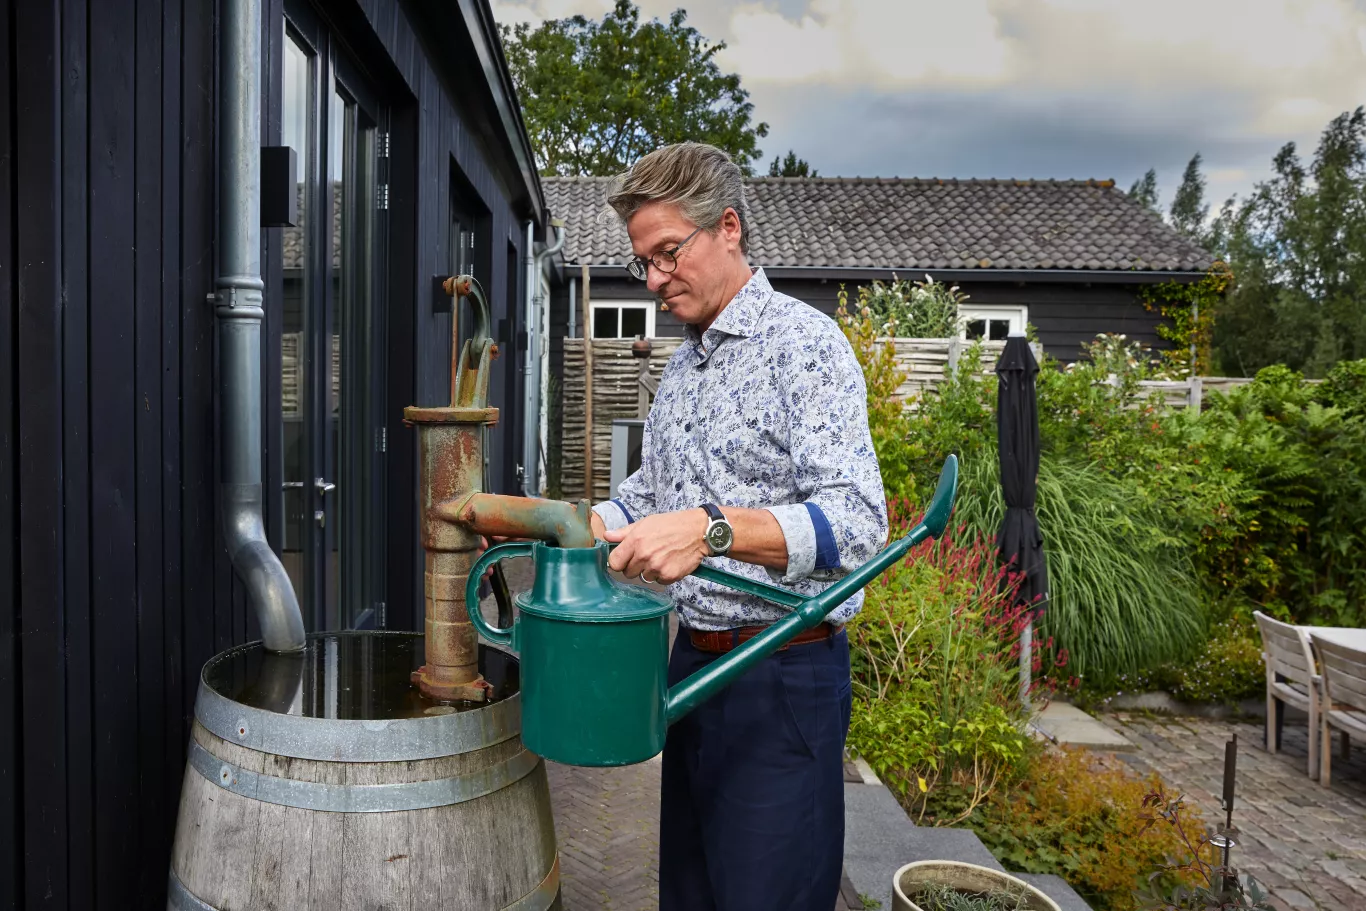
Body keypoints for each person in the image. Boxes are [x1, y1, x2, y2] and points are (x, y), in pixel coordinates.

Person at [587, 141, 888, 911]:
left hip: (781, 675)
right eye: (643, 263)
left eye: (667, 253)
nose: (654, 280)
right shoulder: (683, 367)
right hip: (692, 667)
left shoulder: (805, 346)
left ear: (728, 228)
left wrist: (713, 530)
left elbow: (859, 524)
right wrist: (579, 523)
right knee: (690, 895)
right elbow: (651, 493)